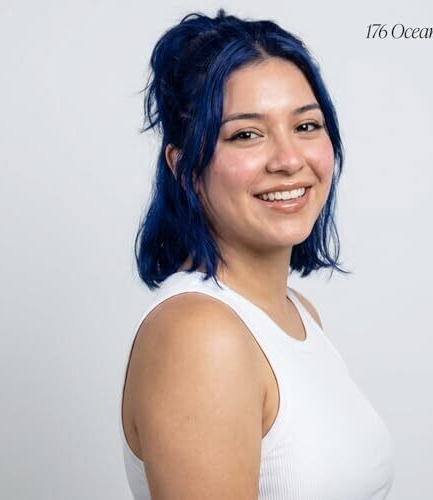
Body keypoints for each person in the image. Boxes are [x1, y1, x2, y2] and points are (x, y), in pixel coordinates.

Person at [119, 9, 395, 500]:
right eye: (246, 134)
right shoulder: (199, 335)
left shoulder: (297, 313)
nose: (289, 160)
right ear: (184, 168)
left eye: (306, 125)